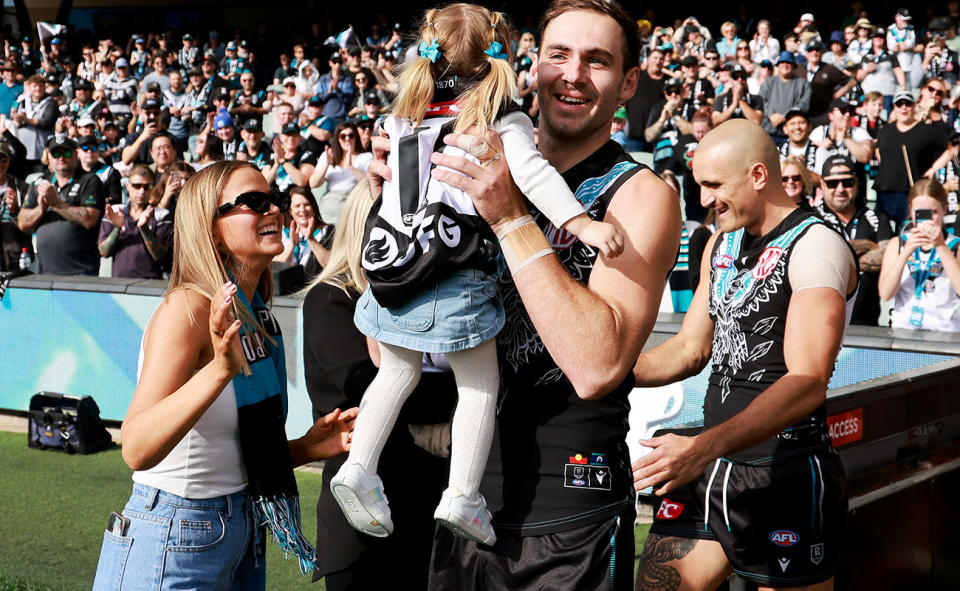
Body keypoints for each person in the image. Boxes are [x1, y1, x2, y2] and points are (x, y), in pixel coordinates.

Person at [330, 2, 629, 550]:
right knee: (479, 386)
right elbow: (533, 176)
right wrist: (581, 223)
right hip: (452, 271)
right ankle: (463, 494)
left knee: (394, 375)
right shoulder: (498, 122)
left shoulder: (404, 119)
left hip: (395, 267)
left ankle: (358, 468)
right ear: (500, 57)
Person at [421, 0, 679, 587]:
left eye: (597, 61)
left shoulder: (639, 196)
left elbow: (597, 365)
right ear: (530, 67)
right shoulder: (470, 159)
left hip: (568, 515)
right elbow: (393, 341)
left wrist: (512, 219)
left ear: (628, 83)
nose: (573, 74)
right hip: (461, 501)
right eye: (559, 55)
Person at [91, 160, 357, 590]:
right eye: (254, 202)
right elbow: (136, 447)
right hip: (175, 532)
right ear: (211, 227)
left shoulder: (257, 314)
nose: (273, 209)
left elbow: (229, 454)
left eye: (274, 199)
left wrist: (306, 448)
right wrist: (218, 370)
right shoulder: (189, 309)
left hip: (239, 528)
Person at [632, 119, 857, 591]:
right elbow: (691, 349)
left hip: (784, 471)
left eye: (714, 185)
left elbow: (807, 380)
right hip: (709, 463)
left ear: (758, 176)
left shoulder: (817, 245)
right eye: (699, 186)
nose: (704, 201)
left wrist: (705, 446)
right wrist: (609, 375)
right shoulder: (721, 241)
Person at [816, 154, 894, 326]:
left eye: (847, 182)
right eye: (832, 183)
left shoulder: (876, 217)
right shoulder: (811, 219)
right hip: (821, 326)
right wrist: (868, 247)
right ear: (822, 185)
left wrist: (836, 256)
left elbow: (890, 257)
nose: (840, 188)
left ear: (857, 182)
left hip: (866, 327)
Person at [16, 136, 105, 276]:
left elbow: (89, 220)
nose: (61, 158)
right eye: (56, 154)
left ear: (76, 154)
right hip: (45, 271)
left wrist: (55, 202)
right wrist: (41, 208)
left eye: (66, 153)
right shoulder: (40, 183)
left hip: (81, 271)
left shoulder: (90, 181)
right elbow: (22, 223)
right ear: (49, 157)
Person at [879, 178, 960, 331]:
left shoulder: (955, 245)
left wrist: (940, 245)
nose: (927, 219)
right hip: (903, 332)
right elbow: (885, 293)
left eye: (933, 212)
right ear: (911, 210)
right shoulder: (898, 244)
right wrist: (906, 253)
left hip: (944, 334)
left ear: (944, 208)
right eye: (921, 213)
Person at [876, 91, 951, 226]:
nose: (903, 107)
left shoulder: (927, 130)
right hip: (885, 194)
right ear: (894, 108)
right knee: (885, 241)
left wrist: (935, 167)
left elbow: (952, 146)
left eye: (908, 104)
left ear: (914, 106)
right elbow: (878, 150)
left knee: (920, 233)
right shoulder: (885, 131)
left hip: (916, 195)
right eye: (899, 104)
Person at [97, 164, 171, 279]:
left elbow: (159, 255)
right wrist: (117, 227)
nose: (142, 191)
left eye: (147, 187)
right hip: (119, 284)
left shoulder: (161, 215)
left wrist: (144, 228)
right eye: (137, 186)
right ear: (128, 186)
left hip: (152, 285)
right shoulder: (115, 211)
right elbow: (103, 252)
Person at [308, 121, 372, 224]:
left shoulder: (366, 157)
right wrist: (326, 165)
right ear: (338, 138)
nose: (347, 139)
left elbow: (369, 182)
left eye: (351, 135)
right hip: (330, 203)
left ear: (356, 137)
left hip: (353, 201)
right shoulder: (328, 155)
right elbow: (314, 184)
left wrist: (351, 167)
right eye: (343, 136)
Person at [276, 185, 332, 278]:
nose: (302, 209)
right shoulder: (282, 234)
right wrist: (292, 245)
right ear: (290, 211)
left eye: (307, 204)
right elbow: (275, 267)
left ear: (313, 207)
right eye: (297, 206)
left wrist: (311, 239)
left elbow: (331, 265)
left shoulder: (327, 231)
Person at [758, 51, 811, 144]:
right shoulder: (769, 82)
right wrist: (771, 115)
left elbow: (804, 104)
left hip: (791, 134)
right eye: (782, 62)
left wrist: (785, 116)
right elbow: (761, 101)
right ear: (778, 66)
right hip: (768, 131)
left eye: (788, 62)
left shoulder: (803, 84)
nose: (785, 65)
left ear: (794, 65)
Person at [13, 74, 57, 173]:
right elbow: (14, 116)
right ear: (29, 87)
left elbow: (46, 123)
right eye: (35, 86)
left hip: (40, 151)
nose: (38, 89)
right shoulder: (22, 101)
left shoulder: (51, 103)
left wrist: (25, 119)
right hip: (23, 150)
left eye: (40, 86)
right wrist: (17, 120)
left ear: (44, 87)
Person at [0, 141, 31, 271]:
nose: (0, 165)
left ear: (9, 161)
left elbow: (30, 226)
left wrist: (15, 211)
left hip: (16, 258)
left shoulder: (22, 187)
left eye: (3, 160)